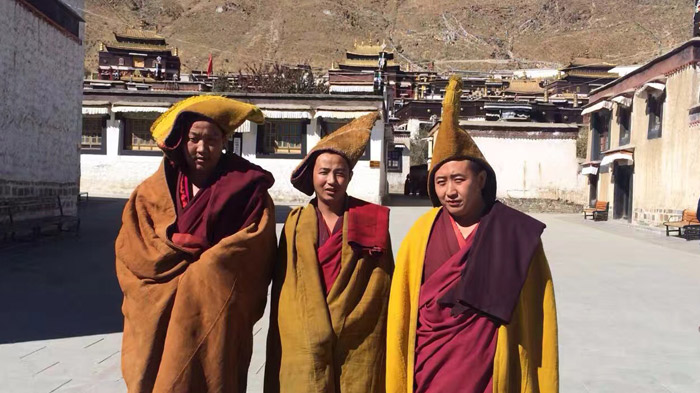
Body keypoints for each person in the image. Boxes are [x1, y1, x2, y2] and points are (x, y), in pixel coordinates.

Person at [386, 76, 559, 393]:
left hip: (490, 370)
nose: (449, 191)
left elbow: (537, 315)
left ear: (480, 179)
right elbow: (403, 309)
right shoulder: (420, 232)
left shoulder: (512, 233)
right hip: (429, 368)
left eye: (458, 179)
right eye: (440, 182)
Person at [115, 96, 277, 393]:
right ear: (181, 140)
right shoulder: (155, 188)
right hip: (159, 310)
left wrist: (204, 270)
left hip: (212, 313)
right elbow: (133, 248)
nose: (202, 149)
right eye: (194, 139)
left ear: (225, 141)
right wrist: (175, 259)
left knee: (213, 371)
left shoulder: (246, 187)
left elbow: (254, 251)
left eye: (212, 139)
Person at [265, 112, 393, 393]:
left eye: (339, 173)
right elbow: (286, 288)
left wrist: (348, 319)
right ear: (312, 175)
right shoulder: (295, 223)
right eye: (323, 172)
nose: (331, 180)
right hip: (305, 330)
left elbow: (381, 285)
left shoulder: (370, 219)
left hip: (357, 334)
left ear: (350, 176)